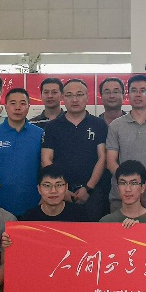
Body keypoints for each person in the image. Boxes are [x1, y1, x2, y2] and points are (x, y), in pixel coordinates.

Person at [41, 78, 109, 219]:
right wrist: (61, 188)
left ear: (87, 97)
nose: (75, 99)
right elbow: (46, 159)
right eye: (69, 95)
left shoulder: (99, 124)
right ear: (63, 98)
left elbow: (102, 157)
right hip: (60, 194)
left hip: (92, 193)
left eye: (79, 94)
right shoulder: (53, 126)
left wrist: (88, 188)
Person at [107, 75, 146, 216]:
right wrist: (129, 186)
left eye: (143, 90)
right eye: (133, 90)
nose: (138, 94)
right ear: (128, 94)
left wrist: (144, 184)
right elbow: (111, 161)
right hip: (121, 198)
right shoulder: (115, 125)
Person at [0, 88, 44, 216]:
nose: (18, 108)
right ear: (5, 106)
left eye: (23, 103)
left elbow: (45, 168)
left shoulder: (40, 134)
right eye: (13, 103)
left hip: (34, 204)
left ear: (29, 107)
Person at [100, 160, 146, 225]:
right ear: (117, 188)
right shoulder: (106, 222)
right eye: (123, 183)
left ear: (142, 188)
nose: (128, 189)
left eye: (133, 183)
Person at [20, 166, 87, 222]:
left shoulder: (80, 215)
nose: (53, 191)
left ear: (66, 187)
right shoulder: (29, 218)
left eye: (59, 185)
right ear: (39, 189)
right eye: (47, 186)